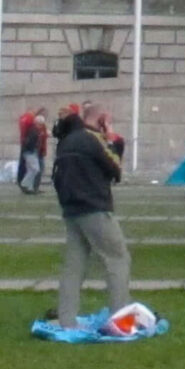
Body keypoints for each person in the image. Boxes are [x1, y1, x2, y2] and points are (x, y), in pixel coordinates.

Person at [51, 101, 130, 326]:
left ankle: (66, 319)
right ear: (102, 118)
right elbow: (115, 168)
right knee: (117, 259)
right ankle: (120, 318)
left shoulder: (67, 141)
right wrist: (111, 134)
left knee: (74, 265)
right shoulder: (94, 139)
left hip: (71, 208)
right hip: (95, 207)